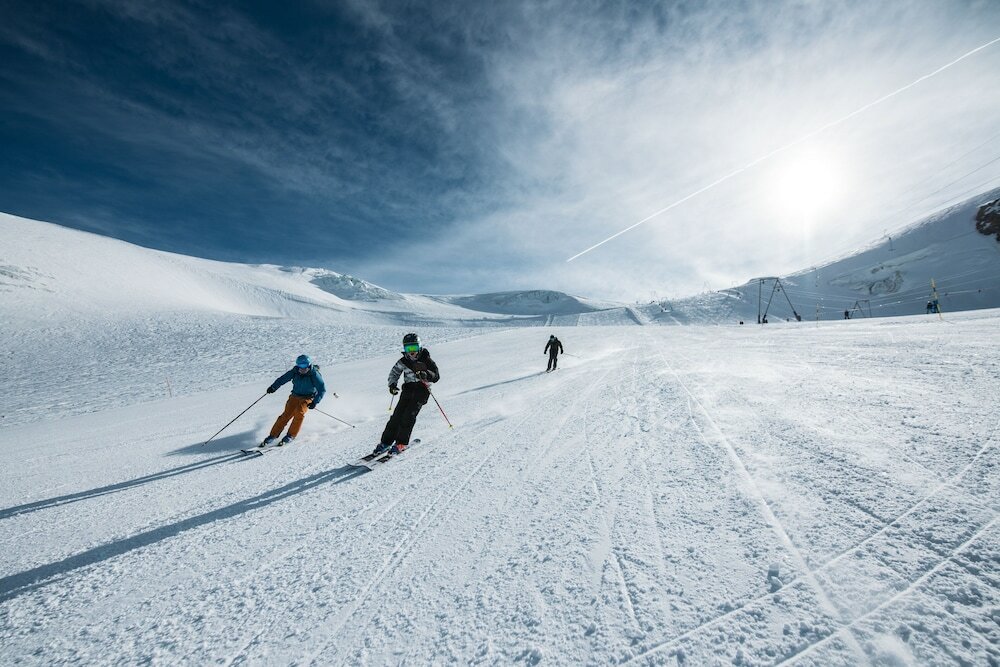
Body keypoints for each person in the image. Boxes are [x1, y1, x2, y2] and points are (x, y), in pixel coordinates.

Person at [373, 333, 439, 456]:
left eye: (414, 348)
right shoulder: (404, 361)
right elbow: (394, 373)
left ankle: (401, 443)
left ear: (419, 347)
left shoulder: (426, 359)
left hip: (422, 391)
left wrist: (426, 375)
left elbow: (436, 376)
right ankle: (385, 442)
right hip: (408, 390)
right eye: (408, 349)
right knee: (396, 416)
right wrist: (392, 385)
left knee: (408, 416)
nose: (411, 352)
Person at [260, 354, 326, 447]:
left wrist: (315, 402)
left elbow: (322, 389)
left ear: (309, 365)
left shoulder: (314, 374)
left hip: (307, 398)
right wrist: (273, 387)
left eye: (305, 366)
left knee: (299, 413)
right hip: (294, 396)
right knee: (285, 415)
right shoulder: (295, 372)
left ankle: (291, 435)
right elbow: (282, 379)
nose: (302, 369)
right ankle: (272, 436)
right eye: (300, 366)